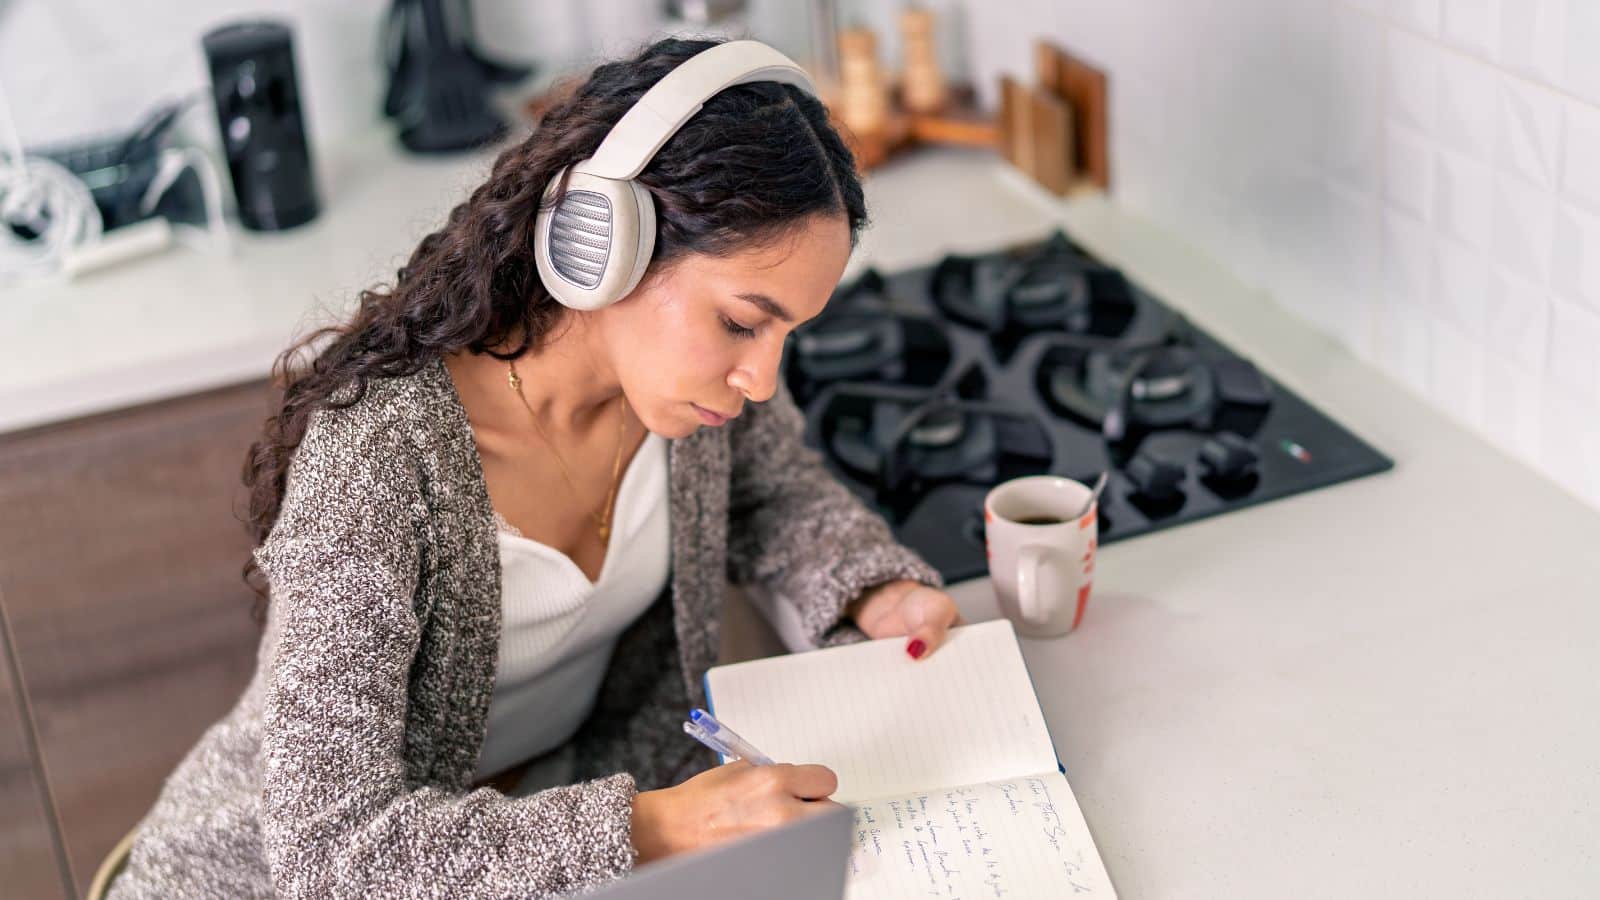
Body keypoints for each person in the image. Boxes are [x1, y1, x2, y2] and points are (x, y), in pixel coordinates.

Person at [106, 37, 962, 899]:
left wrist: (869, 590)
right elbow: (332, 852)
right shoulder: (377, 458)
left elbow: (775, 494)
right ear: (607, 244)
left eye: (787, 333)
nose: (763, 377)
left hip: (545, 853)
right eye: (743, 323)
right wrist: (662, 824)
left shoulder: (688, 395)